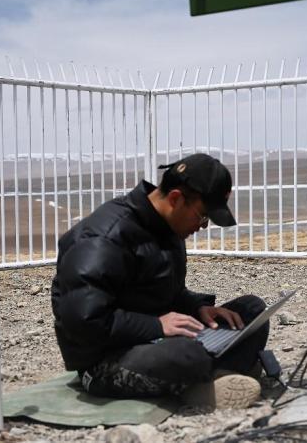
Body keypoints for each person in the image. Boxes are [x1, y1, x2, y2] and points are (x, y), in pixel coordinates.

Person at [51, 153, 269, 409]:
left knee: (251, 311)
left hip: (156, 338)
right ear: (175, 198)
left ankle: (211, 378)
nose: (203, 226)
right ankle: (211, 379)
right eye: (202, 216)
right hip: (106, 359)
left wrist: (197, 308)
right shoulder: (104, 238)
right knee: (187, 355)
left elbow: (165, 293)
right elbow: (83, 321)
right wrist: (156, 326)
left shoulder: (168, 228)